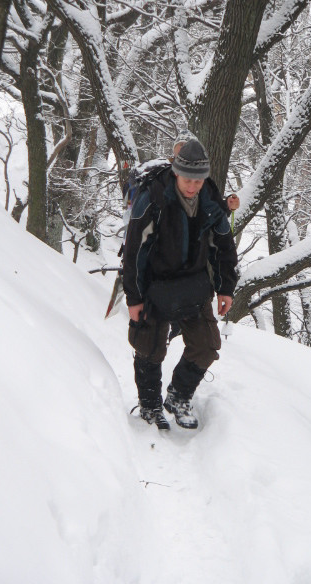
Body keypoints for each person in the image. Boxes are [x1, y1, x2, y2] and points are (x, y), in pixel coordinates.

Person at [123, 139, 238, 430]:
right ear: (176, 172)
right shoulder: (153, 198)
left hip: (194, 284)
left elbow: (223, 244)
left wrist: (226, 288)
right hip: (154, 286)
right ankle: (150, 407)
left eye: (198, 181)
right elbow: (135, 252)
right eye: (188, 179)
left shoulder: (210, 198)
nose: (193, 186)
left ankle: (178, 396)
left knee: (207, 345)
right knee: (149, 349)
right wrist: (134, 298)